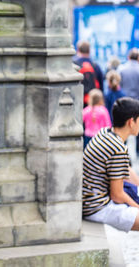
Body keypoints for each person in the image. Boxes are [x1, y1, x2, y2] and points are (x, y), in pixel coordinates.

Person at [83, 97, 139, 232]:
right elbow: (117, 195)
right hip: (96, 207)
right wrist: (136, 206)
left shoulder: (105, 133)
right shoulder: (117, 148)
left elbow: (125, 168)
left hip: (89, 198)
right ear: (131, 122)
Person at [73, 40, 104, 106]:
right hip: (93, 102)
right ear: (89, 51)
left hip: (77, 100)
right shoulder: (96, 66)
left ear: (78, 50)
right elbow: (101, 86)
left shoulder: (74, 64)